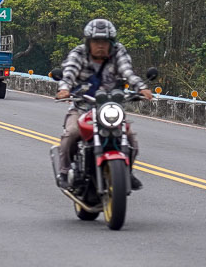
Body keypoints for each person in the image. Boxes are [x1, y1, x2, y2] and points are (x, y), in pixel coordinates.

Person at [55, 18, 153, 190]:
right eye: (96, 41)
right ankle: (64, 172)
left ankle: (126, 173)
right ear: (88, 42)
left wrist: (142, 88)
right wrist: (64, 89)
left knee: (131, 140)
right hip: (82, 106)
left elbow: (127, 71)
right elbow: (68, 73)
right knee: (71, 134)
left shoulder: (118, 52)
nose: (100, 45)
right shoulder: (79, 54)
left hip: (110, 108)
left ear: (111, 43)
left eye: (104, 42)